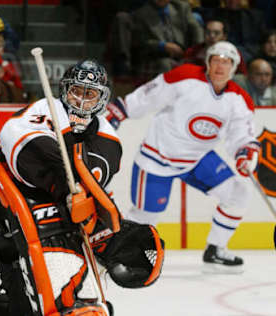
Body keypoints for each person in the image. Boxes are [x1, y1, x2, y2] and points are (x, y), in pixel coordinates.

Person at [0, 60, 165, 315]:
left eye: (89, 94)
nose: (79, 101)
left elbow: (90, 193)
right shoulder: (46, 109)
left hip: (37, 217)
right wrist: (67, 188)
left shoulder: (108, 141)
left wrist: (108, 231)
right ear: (64, 90)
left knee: (39, 305)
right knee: (38, 301)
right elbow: (26, 148)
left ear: (101, 100)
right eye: (75, 91)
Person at [106, 41, 259, 273]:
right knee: (145, 215)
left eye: (226, 62)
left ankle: (215, 250)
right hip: (158, 158)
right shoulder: (185, 77)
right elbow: (151, 94)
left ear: (234, 67)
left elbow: (241, 134)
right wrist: (122, 109)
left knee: (238, 192)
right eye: (216, 59)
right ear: (208, 62)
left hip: (197, 159)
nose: (220, 66)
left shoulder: (240, 100)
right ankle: (117, 253)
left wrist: (245, 151)